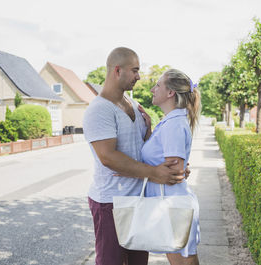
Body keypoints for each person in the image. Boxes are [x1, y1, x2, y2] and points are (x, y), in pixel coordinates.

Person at [83, 47, 187, 265]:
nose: (139, 77)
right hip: (110, 202)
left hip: (138, 200)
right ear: (117, 71)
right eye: (135, 70)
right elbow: (108, 157)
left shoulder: (134, 105)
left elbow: (144, 149)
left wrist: (175, 167)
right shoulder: (99, 110)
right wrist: (154, 174)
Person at [142, 69, 201, 265]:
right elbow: (173, 164)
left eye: (157, 85)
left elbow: (175, 172)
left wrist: (134, 173)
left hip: (173, 205)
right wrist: (149, 131)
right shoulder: (169, 122)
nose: (152, 89)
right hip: (170, 204)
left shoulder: (174, 124)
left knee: (184, 261)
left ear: (170, 93)